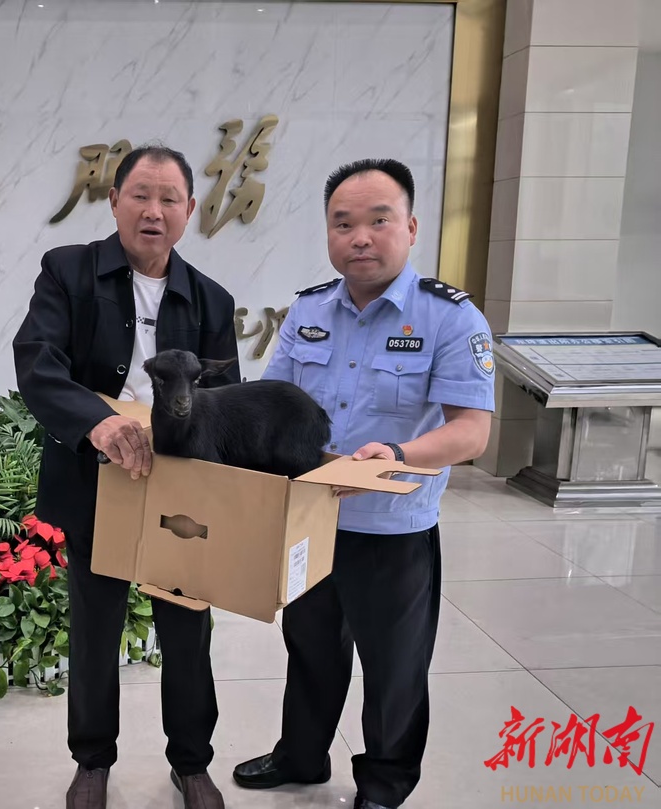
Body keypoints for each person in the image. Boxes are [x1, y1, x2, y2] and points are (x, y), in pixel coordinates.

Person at [232, 158, 495, 809]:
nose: (360, 238)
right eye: (343, 223)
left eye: (379, 221)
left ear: (410, 227)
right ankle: (301, 756)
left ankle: (383, 784)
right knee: (310, 648)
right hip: (312, 519)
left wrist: (396, 453)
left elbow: (471, 431)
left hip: (394, 531)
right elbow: (271, 401)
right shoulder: (309, 309)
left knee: (394, 667)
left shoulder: (450, 318)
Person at [12, 145, 240, 809]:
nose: (154, 211)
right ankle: (92, 761)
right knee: (96, 626)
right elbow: (38, 362)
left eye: (169, 199)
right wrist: (99, 423)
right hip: (96, 483)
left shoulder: (211, 300)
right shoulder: (69, 272)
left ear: (189, 211)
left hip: (181, 493)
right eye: (141, 194)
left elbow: (226, 402)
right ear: (114, 201)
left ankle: (191, 762)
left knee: (188, 630)